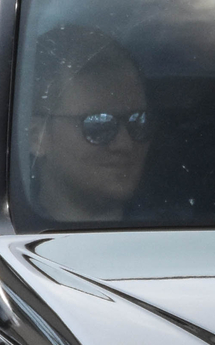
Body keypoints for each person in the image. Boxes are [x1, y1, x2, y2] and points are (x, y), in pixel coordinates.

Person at [26, 27, 152, 222]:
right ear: (37, 136)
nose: (125, 144)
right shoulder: (4, 236)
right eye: (99, 125)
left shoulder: (184, 236)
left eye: (139, 121)